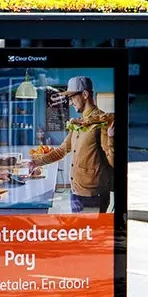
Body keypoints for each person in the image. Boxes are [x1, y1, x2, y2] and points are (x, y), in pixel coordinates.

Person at [30, 75, 115, 213]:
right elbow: (62, 150)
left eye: (72, 97)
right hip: (76, 191)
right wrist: (36, 162)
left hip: (93, 195)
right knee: (80, 232)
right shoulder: (79, 123)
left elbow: (113, 161)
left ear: (85, 94)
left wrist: (111, 137)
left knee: (90, 234)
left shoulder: (103, 122)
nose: (70, 103)